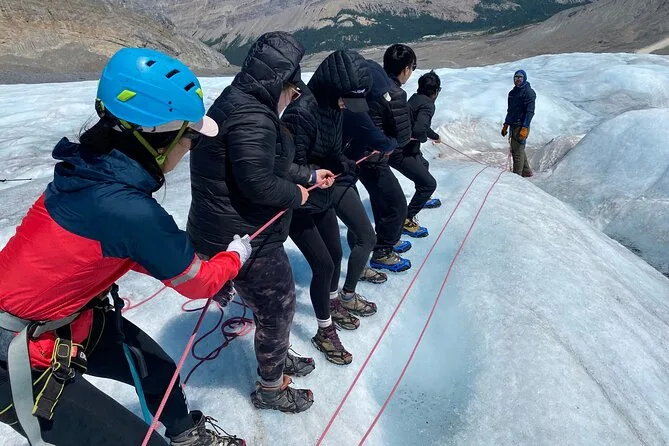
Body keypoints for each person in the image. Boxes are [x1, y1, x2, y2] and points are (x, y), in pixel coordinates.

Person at [0, 48, 248, 446]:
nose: (191, 146)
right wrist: (234, 257)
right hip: (16, 354)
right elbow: (199, 283)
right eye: (190, 136)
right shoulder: (130, 209)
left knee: (157, 369)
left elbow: (101, 245)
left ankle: (186, 435)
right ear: (159, 138)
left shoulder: (88, 167)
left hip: (61, 320)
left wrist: (165, 259)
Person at [187, 32, 331, 413]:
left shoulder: (238, 101)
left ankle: (276, 356)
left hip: (223, 228)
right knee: (278, 308)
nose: (293, 98)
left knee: (270, 309)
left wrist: (309, 175)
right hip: (242, 235)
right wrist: (296, 195)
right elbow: (258, 182)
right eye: (292, 91)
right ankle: (271, 388)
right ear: (278, 82)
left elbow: (269, 163)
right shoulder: (253, 116)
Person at [282, 49, 376, 366]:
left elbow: (331, 151)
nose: (347, 106)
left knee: (335, 254)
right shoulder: (301, 113)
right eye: (346, 99)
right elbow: (288, 167)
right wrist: (314, 175)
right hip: (299, 203)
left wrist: (345, 164)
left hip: (322, 197)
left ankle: (332, 302)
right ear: (333, 89)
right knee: (323, 265)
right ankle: (324, 331)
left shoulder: (333, 108)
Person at [341, 56, 413, 274]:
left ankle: (382, 243)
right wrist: (389, 144)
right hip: (368, 160)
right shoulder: (385, 97)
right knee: (396, 204)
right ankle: (382, 251)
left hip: (358, 160)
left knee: (379, 204)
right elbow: (388, 135)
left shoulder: (357, 100)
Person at [390, 70, 442, 238]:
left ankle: (422, 198)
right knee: (429, 184)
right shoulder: (428, 104)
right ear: (435, 91)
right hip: (401, 151)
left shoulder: (415, 99)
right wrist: (423, 138)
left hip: (403, 147)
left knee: (424, 164)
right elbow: (420, 129)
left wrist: (434, 136)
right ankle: (406, 219)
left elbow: (420, 125)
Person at [501, 69, 536, 177]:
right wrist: (506, 124)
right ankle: (526, 171)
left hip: (521, 125)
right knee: (518, 149)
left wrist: (524, 127)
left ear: (524, 78)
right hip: (513, 124)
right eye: (516, 77)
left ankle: (517, 176)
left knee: (517, 150)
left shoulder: (529, 93)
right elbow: (510, 110)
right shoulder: (512, 93)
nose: (518, 79)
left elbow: (530, 112)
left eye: (520, 77)